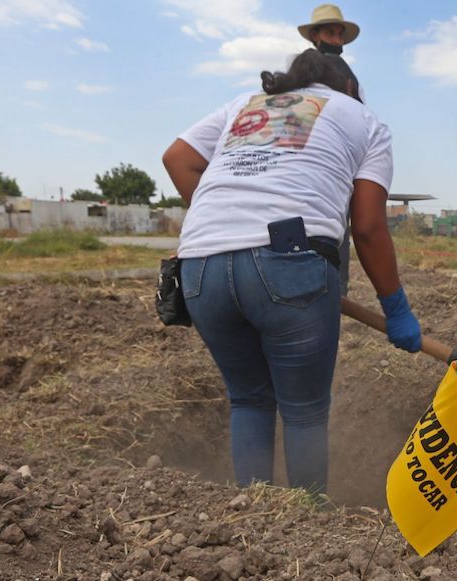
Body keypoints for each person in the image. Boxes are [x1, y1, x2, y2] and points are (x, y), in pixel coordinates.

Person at [162, 50, 421, 496]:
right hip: (291, 265)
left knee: (249, 399)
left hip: (198, 269)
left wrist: (227, 224)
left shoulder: (244, 105)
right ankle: (306, 526)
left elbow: (176, 158)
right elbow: (368, 225)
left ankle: (254, 517)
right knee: (303, 411)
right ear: (349, 89)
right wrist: (395, 307)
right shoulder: (362, 118)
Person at [298, 3, 363, 296]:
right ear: (315, 36)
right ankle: (332, 292)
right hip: (308, 158)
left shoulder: (349, 76)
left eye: (339, 34)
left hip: (334, 161)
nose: (336, 39)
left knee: (333, 228)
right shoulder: (302, 71)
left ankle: (332, 291)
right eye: (330, 33)